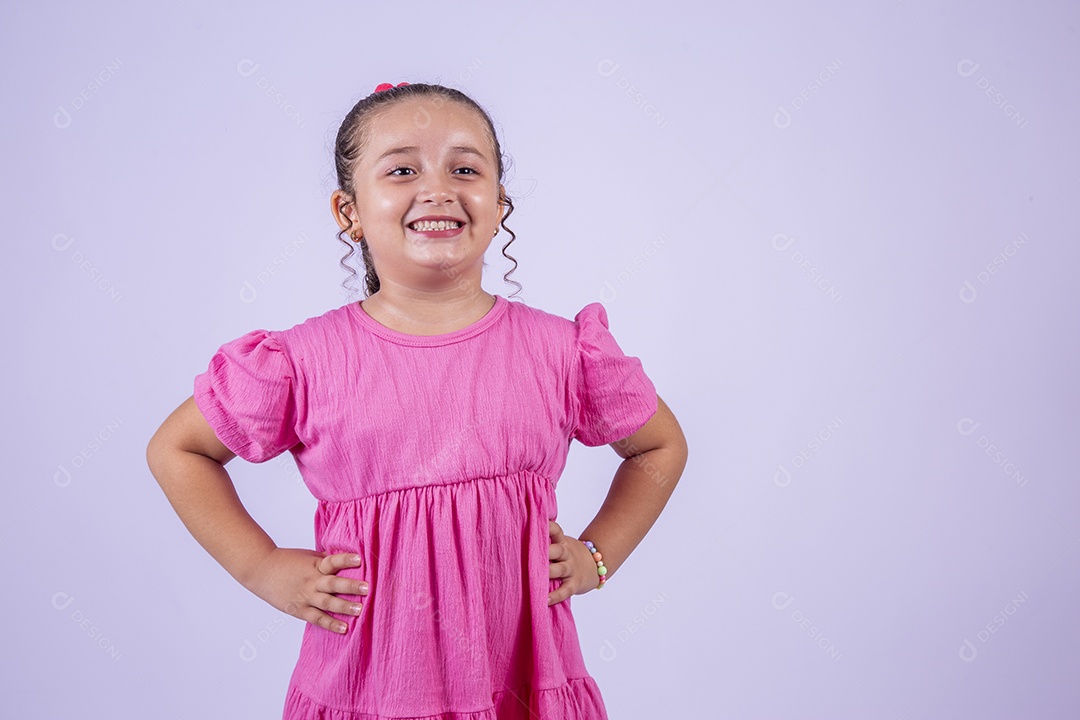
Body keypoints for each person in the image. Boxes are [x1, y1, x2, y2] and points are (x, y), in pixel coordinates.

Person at [146, 81, 688, 720]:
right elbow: (178, 450)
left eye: (465, 169)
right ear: (348, 210)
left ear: (499, 202)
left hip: (520, 681)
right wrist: (261, 566)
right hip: (370, 686)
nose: (437, 189)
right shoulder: (301, 360)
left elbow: (659, 445)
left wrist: (596, 556)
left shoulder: (560, 350)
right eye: (402, 170)